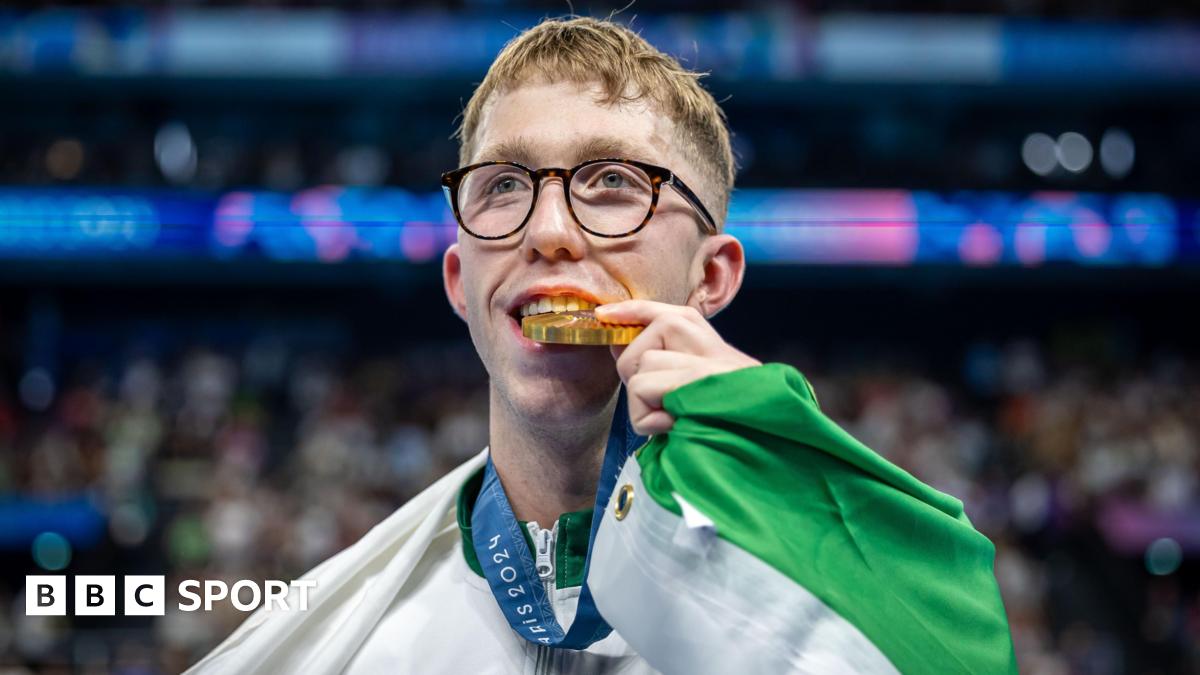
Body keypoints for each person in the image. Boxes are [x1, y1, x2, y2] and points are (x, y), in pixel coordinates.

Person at [189, 16, 1016, 674]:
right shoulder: (321, 640)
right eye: (503, 185)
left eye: (613, 182)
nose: (548, 231)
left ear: (712, 275)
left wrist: (779, 478)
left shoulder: (821, 589)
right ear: (461, 281)